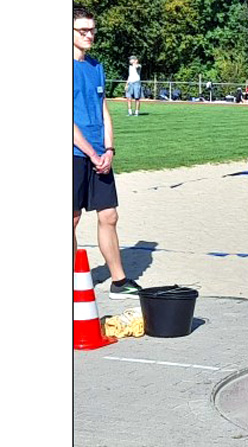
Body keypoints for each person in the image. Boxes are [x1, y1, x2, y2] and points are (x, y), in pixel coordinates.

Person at [74, 5, 142, 299]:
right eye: (83, 30)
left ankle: (119, 281)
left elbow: (104, 110)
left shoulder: (96, 66)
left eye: (93, 29)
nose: (90, 35)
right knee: (71, 217)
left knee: (109, 215)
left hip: (99, 155)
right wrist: (90, 153)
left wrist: (109, 149)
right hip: (74, 155)